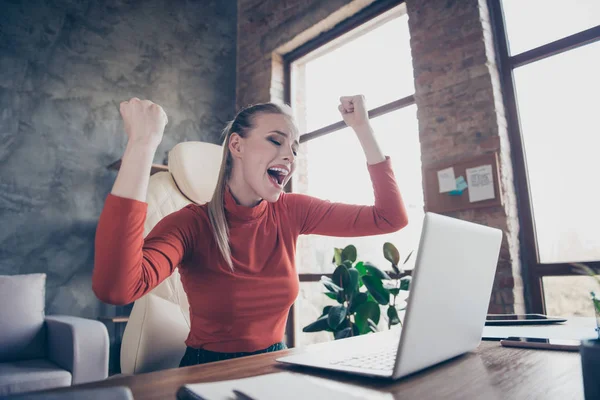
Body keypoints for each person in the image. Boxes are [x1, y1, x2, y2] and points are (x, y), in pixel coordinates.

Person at [92, 95, 409, 367]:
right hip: (208, 370)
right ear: (236, 145)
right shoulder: (190, 224)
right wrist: (142, 144)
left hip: (275, 363)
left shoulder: (291, 210)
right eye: (275, 140)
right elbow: (117, 289)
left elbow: (389, 218)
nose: (289, 156)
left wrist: (362, 128)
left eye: (294, 149)